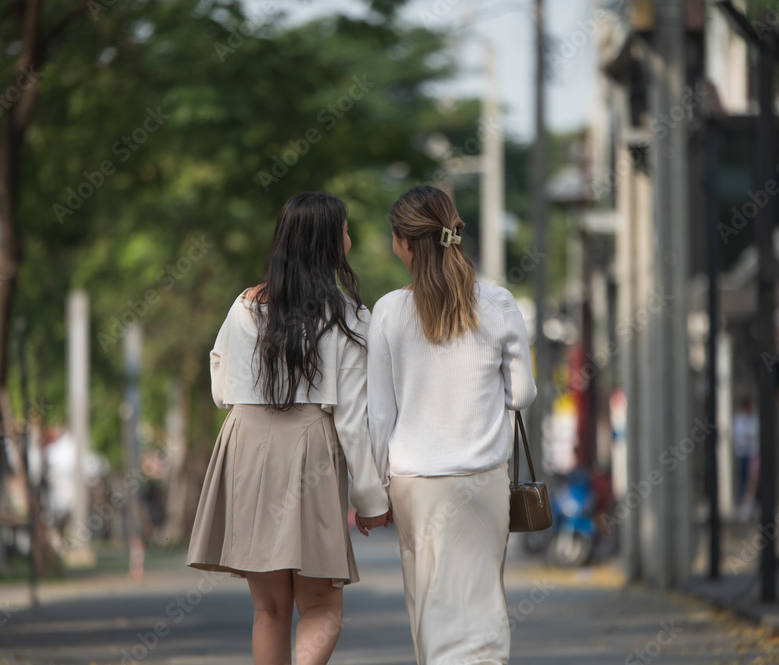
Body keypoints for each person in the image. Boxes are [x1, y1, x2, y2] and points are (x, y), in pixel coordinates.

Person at [187, 192, 391, 665]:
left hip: (246, 446)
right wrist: (370, 500)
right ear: (326, 243)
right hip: (311, 449)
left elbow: (222, 389)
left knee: (269, 610)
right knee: (321, 607)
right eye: (344, 230)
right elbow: (354, 420)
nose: (350, 239)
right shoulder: (347, 317)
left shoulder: (243, 305)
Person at [368, 185, 537, 664]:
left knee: (429, 606)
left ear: (403, 243)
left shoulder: (386, 312)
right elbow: (522, 394)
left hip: (413, 482)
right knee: (481, 605)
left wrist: (375, 488)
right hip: (482, 479)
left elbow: (380, 415)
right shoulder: (499, 302)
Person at [732, 397, 760, 520]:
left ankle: (748, 504)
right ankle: (742, 504)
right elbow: (738, 435)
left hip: (752, 453)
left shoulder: (753, 419)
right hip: (742, 452)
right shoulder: (739, 419)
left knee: (752, 478)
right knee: (743, 477)